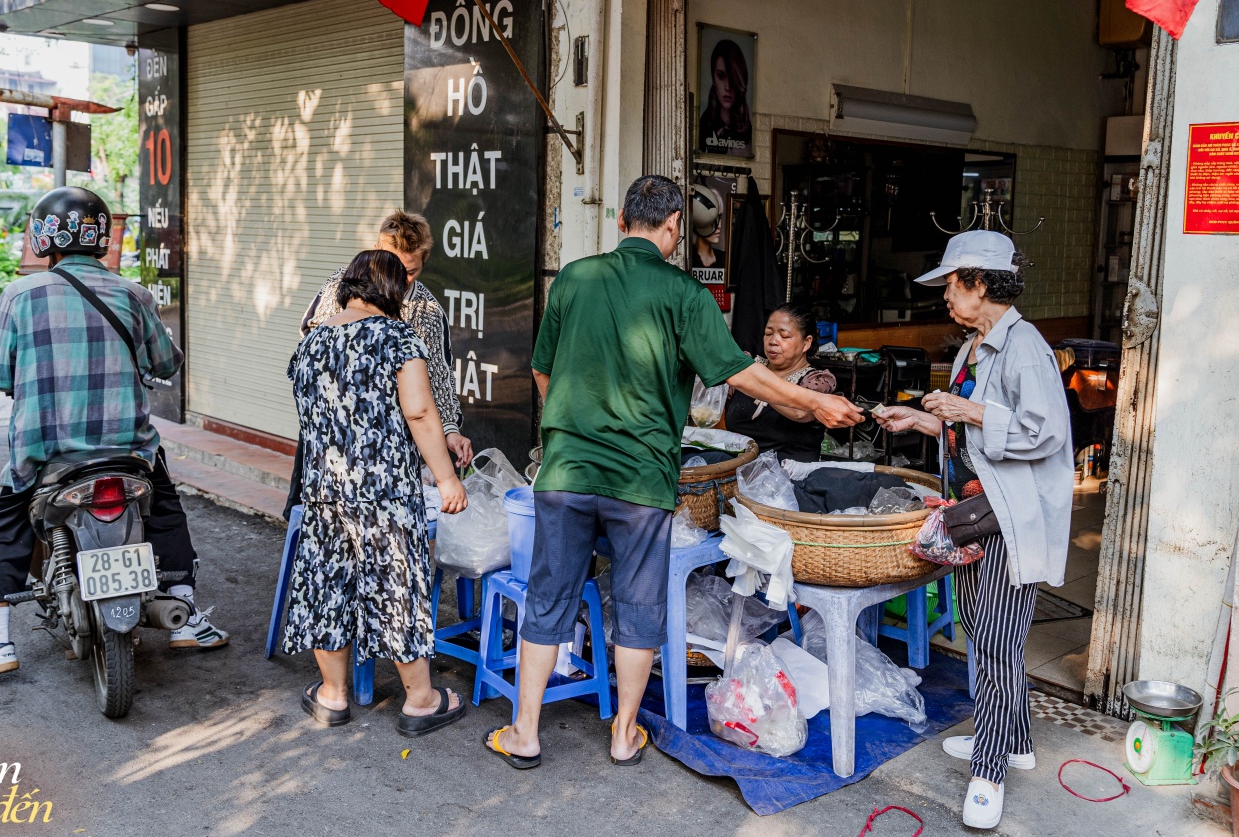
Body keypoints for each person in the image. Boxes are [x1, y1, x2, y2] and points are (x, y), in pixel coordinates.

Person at [485, 175, 864, 769]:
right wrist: (816, 403)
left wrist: (568, 428)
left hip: (566, 472)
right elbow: (739, 372)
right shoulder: (685, 294)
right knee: (639, 606)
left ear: (620, 224)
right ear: (672, 229)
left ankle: (526, 733)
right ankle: (624, 734)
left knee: (549, 596)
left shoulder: (575, 279)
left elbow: (542, 373)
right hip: (641, 482)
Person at [0, 187, 228, 683]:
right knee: (164, 506)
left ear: (43, 239)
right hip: (128, 450)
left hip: (45, 449)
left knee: (2, 523)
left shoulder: (20, 295)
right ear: (102, 240)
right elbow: (167, 363)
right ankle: (188, 615)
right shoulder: (134, 294)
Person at [872, 230, 1071, 830]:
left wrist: (972, 410)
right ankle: (1017, 739)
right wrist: (919, 420)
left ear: (980, 284)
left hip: (1009, 518)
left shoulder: (1025, 347)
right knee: (983, 632)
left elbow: (1048, 433)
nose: (945, 299)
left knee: (999, 646)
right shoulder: (973, 348)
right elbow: (965, 432)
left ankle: (990, 771)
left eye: (951, 286)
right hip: (972, 512)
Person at [285, 249, 470, 732]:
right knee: (397, 590)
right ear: (392, 293)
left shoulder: (311, 343)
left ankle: (332, 695)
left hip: (324, 491)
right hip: (384, 493)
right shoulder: (396, 337)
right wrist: (447, 478)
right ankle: (421, 701)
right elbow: (421, 413)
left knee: (328, 587)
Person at [301, 210, 472, 468]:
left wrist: (450, 429)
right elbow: (310, 341)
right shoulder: (341, 285)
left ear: (425, 260)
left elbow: (438, 375)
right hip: (330, 438)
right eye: (392, 267)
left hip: (395, 448)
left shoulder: (429, 311)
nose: (399, 280)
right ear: (375, 250)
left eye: (410, 272)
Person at [723, 304, 837, 464]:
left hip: (789, 479)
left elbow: (800, 412)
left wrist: (752, 382)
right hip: (738, 471)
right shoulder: (748, 366)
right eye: (768, 334)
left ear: (806, 342)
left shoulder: (818, 380)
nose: (773, 341)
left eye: (784, 336)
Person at [698, 38, 752, 157]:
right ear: (713, 78)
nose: (727, 87)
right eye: (721, 76)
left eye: (733, 78)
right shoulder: (703, 127)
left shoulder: (748, 131)